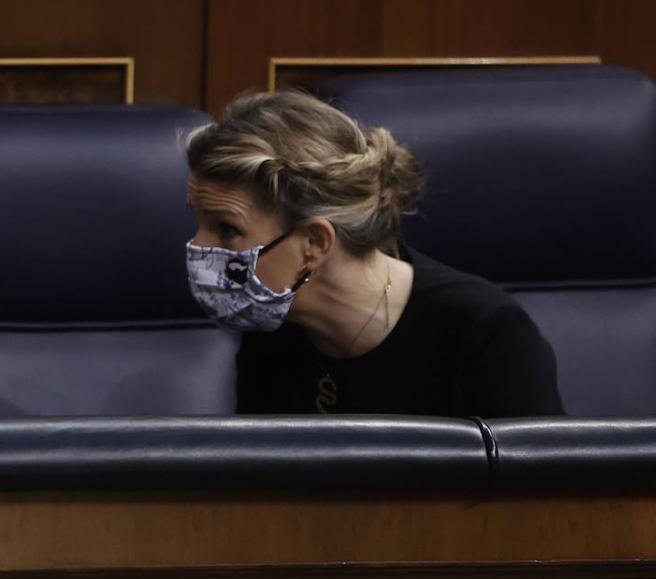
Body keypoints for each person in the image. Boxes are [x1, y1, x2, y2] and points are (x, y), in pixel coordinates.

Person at [184, 91, 564, 417]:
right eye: (199, 222)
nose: (199, 247)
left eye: (227, 229)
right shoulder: (272, 332)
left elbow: (549, 498)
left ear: (315, 244)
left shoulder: (488, 336)